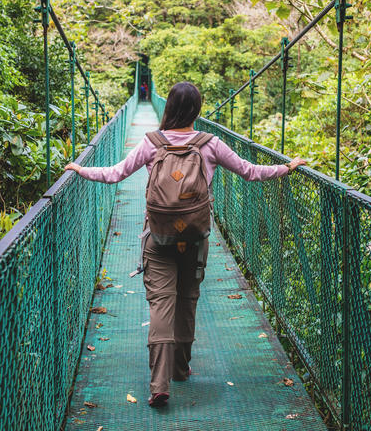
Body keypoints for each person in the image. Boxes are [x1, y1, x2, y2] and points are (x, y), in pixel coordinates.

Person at [65, 82, 305, 407]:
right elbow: (250, 172)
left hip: (159, 237)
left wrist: (81, 170)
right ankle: (180, 368)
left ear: (168, 109)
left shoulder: (151, 143)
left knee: (161, 305)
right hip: (193, 238)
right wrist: (286, 168)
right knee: (187, 301)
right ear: (197, 110)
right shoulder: (211, 144)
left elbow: (116, 173)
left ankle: (159, 383)